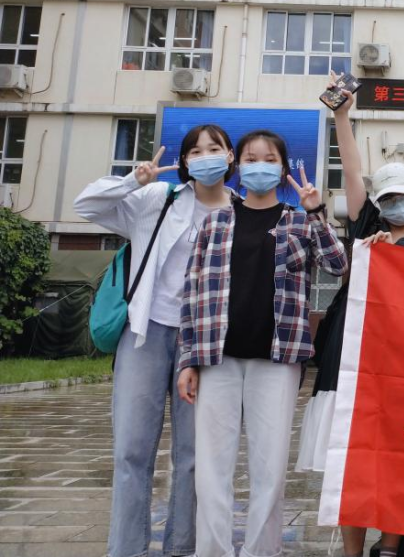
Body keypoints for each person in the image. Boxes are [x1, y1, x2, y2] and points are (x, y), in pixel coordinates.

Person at [176, 129, 347, 557]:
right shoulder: (215, 222)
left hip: (278, 358)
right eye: (251, 159)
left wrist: (316, 212)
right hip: (217, 357)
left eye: (269, 159)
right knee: (212, 466)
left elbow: (338, 264)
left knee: (269, 467)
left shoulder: (298, 221)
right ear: (238, 167)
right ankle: (212, 551)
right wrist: (187, 360)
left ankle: (261, 551)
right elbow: (192, 293)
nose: (259, 167)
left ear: (283, 168)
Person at [296, 78, 404, 557]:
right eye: (387, 198)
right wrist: (342, 116)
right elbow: (353, 167)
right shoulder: (367, 234)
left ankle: (391, 546)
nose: (396, 203)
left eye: (403, 195)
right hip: (349, 356)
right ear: (377, 203)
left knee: (396, 460)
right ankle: (352, 550)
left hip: (403, 367)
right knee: (348, 461)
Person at [75, 124, 236, 557]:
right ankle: (126, 548)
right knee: (131, 448)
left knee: (194, 454)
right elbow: (86, 204)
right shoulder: (158, 199)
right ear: (184, 161)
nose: (205, 156)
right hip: (145, 332)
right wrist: (133, 180)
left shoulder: (240, 213)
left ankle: (181, 547)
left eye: (214, 148)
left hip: (204, 342)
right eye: (196, 151)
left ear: (230, 157)